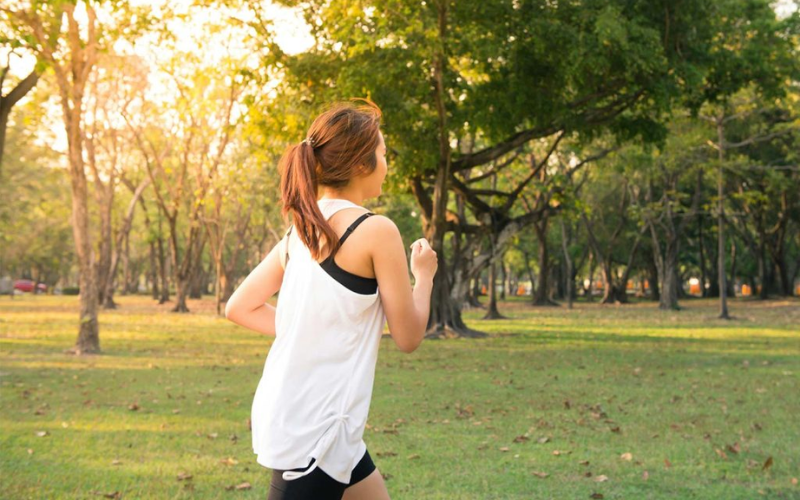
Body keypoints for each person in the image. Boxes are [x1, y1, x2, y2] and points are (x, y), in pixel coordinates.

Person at [224, 99, 438, 500]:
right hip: (314, 433)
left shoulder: (299, 232)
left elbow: (240, 306)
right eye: (383, 154)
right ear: (361, 163)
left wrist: (309, 329)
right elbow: (408, 336)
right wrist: (423, 277)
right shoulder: (376, 230)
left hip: (321, 423)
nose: (387, 164)